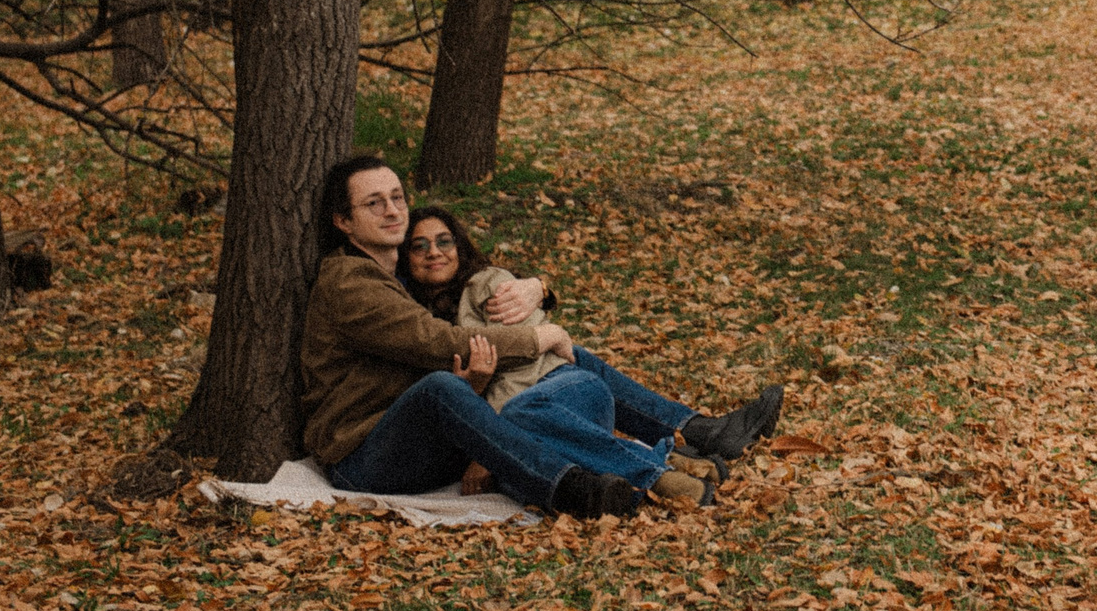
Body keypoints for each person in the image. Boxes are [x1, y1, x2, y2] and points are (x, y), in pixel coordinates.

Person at [299, 155, 779, 520]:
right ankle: (587, 484)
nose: (391, 210)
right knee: (474, 390)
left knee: (546, 376)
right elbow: (432, 340)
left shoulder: (402, 276)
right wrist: (540, 337)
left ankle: (687, 438)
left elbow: (476, 289)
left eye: (397, 196)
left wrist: (540, 290)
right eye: (373, 203)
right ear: (343, 222)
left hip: (428, 441)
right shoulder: (349, 281)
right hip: (366, 454)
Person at [398, 204, 786, 504]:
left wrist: (487, 444)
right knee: (525, 468)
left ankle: (660, 476)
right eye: (419, 246)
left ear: (459, 246)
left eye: (444, 241)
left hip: (564, 387)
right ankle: (672, 459)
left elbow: (525, 366)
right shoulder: (417, 319)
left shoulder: (486, 285)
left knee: (519, 419)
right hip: (543, 421)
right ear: (406, 258)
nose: (434, 252)